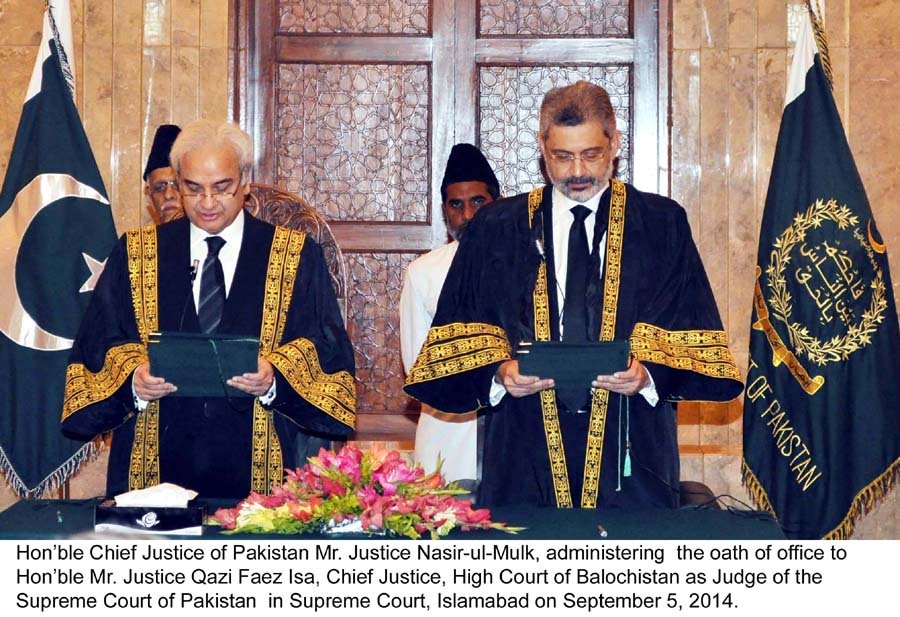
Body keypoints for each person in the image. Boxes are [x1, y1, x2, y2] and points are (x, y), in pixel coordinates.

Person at [405, 81, 743, 509]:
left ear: (615, 143)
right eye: (562, 157)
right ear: (542, 148)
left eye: (591, 154)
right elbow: (459, 338)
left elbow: (689, 331)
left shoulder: (661, 225)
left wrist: (648, 374)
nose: (577, 171)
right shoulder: (496, 228)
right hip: (522, 450)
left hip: (631, 451)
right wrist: (498, 375)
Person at [61, 120, 356, 499]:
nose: (207, 203)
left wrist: (275, 375)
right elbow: (97, 347)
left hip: (263, 479)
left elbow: (326, 350)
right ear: (178, 184)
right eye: (193, 189)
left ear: (245, 182)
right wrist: (134, 380)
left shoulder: (295, 254)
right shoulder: (137, 254)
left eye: (222, 188)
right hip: (155, 473)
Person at [400, 143, 500, 488]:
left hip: (513, 426)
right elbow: (417, 363)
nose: (468, 215)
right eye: (456, 205)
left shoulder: (528, 264)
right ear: (445, 212)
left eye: (478, 202)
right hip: (447, 427)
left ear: (496, 203)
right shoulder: (423, 272)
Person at [143, 124, 183, 224]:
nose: (168, 195)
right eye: (159, 187)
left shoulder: (213, 238)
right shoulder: (135, 240)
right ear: (150, 198)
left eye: (177, 186)